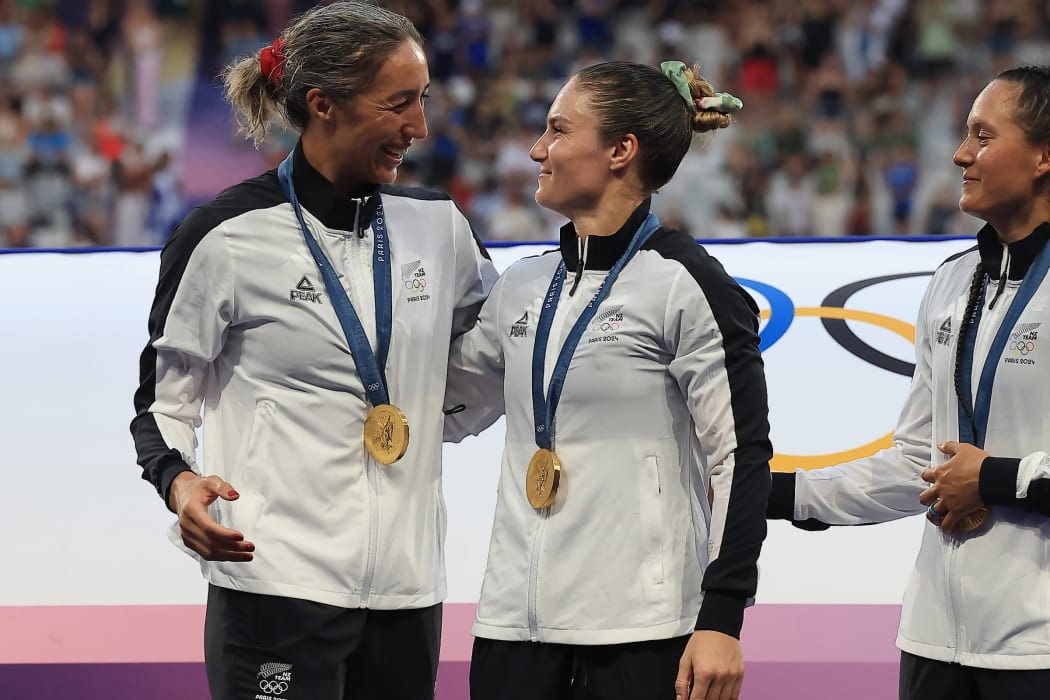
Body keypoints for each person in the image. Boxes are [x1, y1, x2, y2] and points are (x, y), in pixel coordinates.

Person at [129, 3, 496, 699]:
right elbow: (160, 401)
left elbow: (499, 355)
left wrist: (435, 411)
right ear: (323, 105)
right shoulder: (225, 234)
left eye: (423, 100)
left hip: (406, 592)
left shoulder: (439, 228)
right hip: (275, 584)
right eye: (399, 105)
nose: (419, 127)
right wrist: (179, 482)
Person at [444, 60, 772, 700]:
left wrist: (723, 617)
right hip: (515, 625)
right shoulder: (521, 286)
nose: (537, 149)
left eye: (558, 130)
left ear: (621, 150)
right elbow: (443, 409)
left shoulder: (689, 284)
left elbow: (741, 455)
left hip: (644, 630)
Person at [767, 65, 1050, 699]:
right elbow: (921, 462)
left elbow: (975, 474)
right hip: (932, 644)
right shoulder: (950, 283)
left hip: (1037, 651)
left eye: (982, 135)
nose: (960, 154)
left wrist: (997, 478)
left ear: (1043, 158)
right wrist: (778, 494)